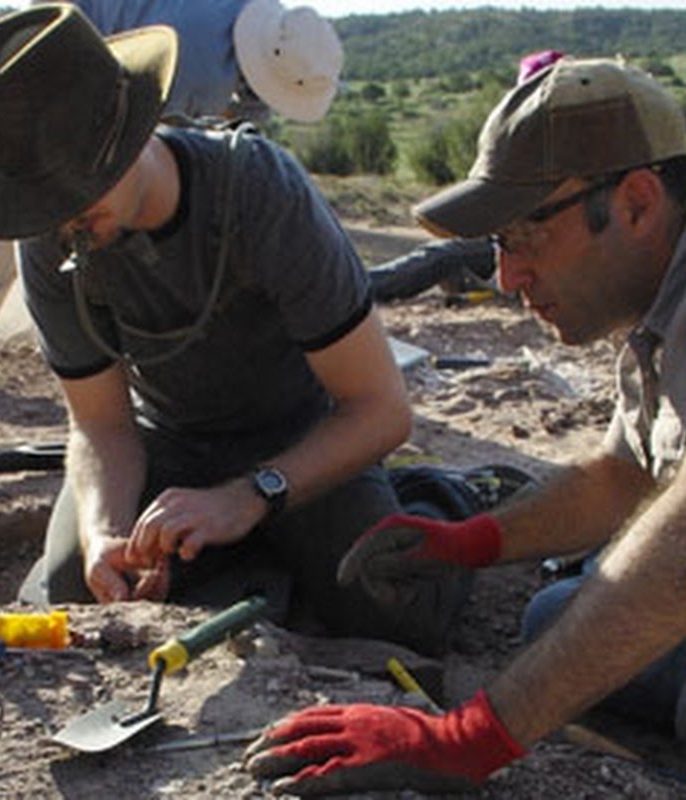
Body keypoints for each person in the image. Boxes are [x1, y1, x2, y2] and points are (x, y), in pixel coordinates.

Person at [0, 5, 488, 654]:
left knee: (395, 611)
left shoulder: (259, 193)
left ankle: (435, 496)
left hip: (300, 439)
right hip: (169, 442)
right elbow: (102, 425)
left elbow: (382, 410)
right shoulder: (52, 235)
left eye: (76, 192)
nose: (63, 223)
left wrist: (250, 497)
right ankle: (261, 564)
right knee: (71, 593)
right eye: (45, 203)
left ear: (133, 133)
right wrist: (106, 532)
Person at [244, 56, 686, 795]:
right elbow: (626, 471)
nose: (505, 279)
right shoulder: (656, 305)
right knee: (553, 615)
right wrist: (473, 540)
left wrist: (467, 737)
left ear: (637, 203)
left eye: (522, 236)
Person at [0, 0, 343, 393]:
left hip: (103, 59)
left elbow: (235, 139)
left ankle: (76, 340)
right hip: (52, 49)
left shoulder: (261, 41)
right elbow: (148, 154)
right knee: (27, 187)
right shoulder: (202, 62)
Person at [369, 50, 563, 305]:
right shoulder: (529, 141)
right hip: (511, 240)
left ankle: (355, 289)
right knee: (444, 256)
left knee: (444, 256)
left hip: (539, 247)